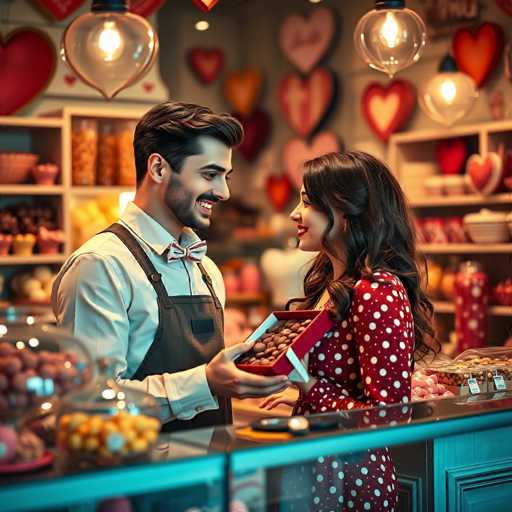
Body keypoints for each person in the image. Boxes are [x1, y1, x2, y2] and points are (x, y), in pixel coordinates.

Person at [52, 101, 288, 432]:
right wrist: (206, 383)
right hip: (138, 477)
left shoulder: (206, 270)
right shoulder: (101, 266)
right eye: (210, 174)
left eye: (225, 176)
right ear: (159, 169)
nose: (223, 192)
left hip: (211, 473)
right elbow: (90, 405)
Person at [260, 151, 439, 510]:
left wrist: (310, 387)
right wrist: (306, 398)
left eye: (307, 202)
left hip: (350, 477)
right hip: (318, 466)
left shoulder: (379, 292)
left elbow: (389, 416)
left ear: (344, 213)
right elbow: (349, 386)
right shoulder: (333, 282)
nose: (295, 213)